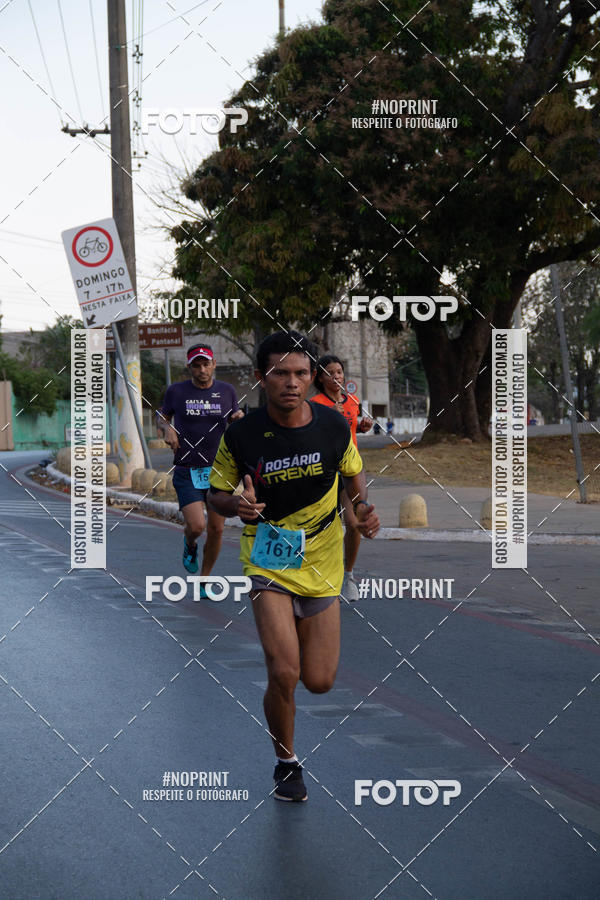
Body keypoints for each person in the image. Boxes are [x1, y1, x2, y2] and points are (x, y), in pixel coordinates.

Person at [208, 331, 380, 802]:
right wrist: (235, 505)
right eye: (280, 373)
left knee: (320, 681)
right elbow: (216, 495)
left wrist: (364, 508)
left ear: (312, 377)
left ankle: (291, 712)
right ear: (263, 378)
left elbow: (352, 471)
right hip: (268, 558)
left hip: (323, 559)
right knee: (284, 671)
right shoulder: (241, 434)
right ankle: (286, 763)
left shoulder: (331, 425)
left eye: (301, 373)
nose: (292, 382)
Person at [157, 343, 243, 579]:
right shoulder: (176, 391)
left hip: (219, 470)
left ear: (214, 365)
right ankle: (190, 542)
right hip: (187, 468)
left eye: (206, 364)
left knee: (216, 529)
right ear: (190, 367)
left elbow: (235, 420)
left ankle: (205, 577)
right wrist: (167, 428)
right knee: (197, 526)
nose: (202, 369)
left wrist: (238, 419)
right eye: (197, 365)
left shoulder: (227, 391)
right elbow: (162, 417)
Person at [311, 354, 373, 602]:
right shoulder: (315, 404)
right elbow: (310, 435)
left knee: (355, 520)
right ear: (320, 378)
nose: (336, 376)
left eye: (339, 371)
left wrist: (361, 426)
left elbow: (348, 427)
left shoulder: (353, 401)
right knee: (322, 527)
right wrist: (329, 417)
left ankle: (348, 576)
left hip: (350, 469)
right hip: (322, 470)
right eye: (330, 373)